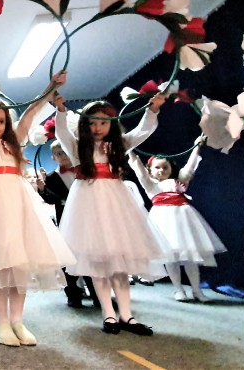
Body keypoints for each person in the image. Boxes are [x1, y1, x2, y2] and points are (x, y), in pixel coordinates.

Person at [0, 69, 75, 347]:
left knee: (19, 264)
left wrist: (51, 85)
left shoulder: (14, 142)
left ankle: (18, 320)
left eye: (0, 121)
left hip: (19, 203)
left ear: (7, 122)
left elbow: (31, 112)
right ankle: (1, 323)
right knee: (0, 265)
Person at [54, 91, 168, 337]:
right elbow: (61, 133)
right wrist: (61, 111)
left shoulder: (118, 145)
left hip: (116, 204)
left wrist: (153, 110)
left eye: (103, 122)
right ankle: (108, 313)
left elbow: (142, 131)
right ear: (85, 125)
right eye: (92, 123)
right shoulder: (77, 147)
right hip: (88, 205)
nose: (97, 128)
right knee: (99, 264)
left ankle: (126, 314)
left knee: (120, 265)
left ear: (112, 124)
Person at [128, 139, 226, 302]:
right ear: (150, 170)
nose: (161, 170)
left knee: (190, 257)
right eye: (157, 167)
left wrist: (197, 147)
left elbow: (190, 167)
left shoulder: (178, 181)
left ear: (171, 168)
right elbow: (138, 169)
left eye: (165, 167)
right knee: (170, 257)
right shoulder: (150, 185)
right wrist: (129, 150)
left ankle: (196, 290)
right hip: (163, 221)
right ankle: (178, 289)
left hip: (183, 220)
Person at [36, 141, 100, 308]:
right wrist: (42, 189)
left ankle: (98, 295)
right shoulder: (52, 177)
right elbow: (52, 199)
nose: (63, 156)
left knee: (90, 256)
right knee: (69, 258)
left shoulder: (85, 172)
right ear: (53, 158)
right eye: (58, 154)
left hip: (87, 219)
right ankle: (73, 294)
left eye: (65, 151)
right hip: (66, 221)